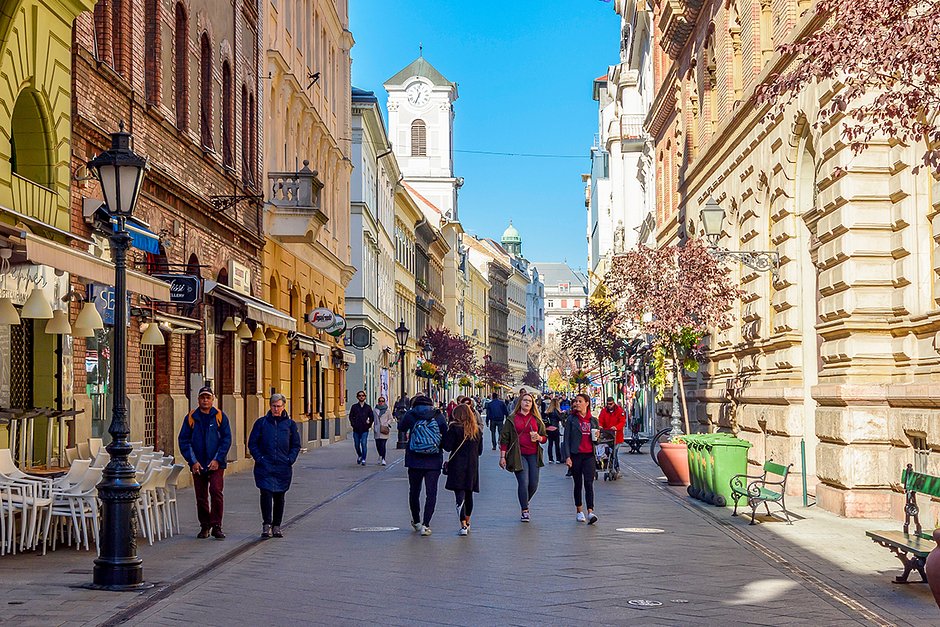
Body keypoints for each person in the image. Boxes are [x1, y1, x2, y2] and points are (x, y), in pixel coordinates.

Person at [178, 386, 232, 539]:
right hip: (198, 463)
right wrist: (193, 461)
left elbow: (226, 440)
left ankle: (216, 525)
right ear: (198, 400)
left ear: (213, 399)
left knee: (216, 492)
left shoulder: (220, 416)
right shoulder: (191, 417)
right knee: (201, 497)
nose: (205, 400)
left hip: (216, 463)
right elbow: (184, 441)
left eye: (208, 397)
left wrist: (218, 459)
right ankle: (204, 525)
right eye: (203, 397)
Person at [248, 393, 301, 538]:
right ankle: (267, 524)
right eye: (273, 406)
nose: (276, 409)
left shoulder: (290, 424)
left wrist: (290, 459)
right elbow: (252, 443)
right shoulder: (262, 423)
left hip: (283, 466)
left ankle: (277, 525)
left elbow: (296, 445)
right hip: (265, 465)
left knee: (279, 495)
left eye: (279, 406)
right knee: (265, 493)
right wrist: (260, 458)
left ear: (284, 407)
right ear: (270, 406)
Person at [398, 394, 448, 536]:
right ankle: (426, 524)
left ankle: (416, 521)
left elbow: (401, 428)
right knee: (431, 493)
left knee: (414, 491)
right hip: (434, 460)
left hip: (414, 459)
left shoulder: (411, 414)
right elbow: (445, 434)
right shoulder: (438, 415)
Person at [499, 392, 547, 522]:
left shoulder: (536, 419)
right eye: (525, 400)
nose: (527, 403)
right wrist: (502, 457)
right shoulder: (512, 418)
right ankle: (524, 510)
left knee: (534, 484)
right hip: (518, 454)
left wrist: (539, 438)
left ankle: (524, 501)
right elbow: (504, 439)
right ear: (520, 402)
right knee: (524, 482)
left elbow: (544, 438)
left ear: (533, 404)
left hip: (533, 454)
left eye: (530, 401)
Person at [442, 403, 484, 536]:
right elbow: (480, 451)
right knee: (469, 493)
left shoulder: (454, 429)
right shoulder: (477, 431)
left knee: (459, 495)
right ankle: (468, 521)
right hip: (472, 466)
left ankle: (463, 524)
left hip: (457, 465)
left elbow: (447, 447)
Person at [563, 393, 600, 525]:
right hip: (576, 455)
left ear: (587, 403)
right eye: (576, 401)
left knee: (589, 483)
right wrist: (567, 457)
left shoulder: (593, 420)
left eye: (580, 401)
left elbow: (597, 441)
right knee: (578, 483)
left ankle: (590, 511)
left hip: (589, 454)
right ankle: (579, 510)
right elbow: (566, 439)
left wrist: (597, 437)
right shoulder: (571, 420)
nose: (577, 403)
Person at [597, 397, 626, 471]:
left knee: (614, 452)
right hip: (606, 434)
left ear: (614, 403)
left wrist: (616, 427)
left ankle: (615, 467)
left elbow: (622, 422)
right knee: (606, 451)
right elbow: (601, 419)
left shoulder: (619, 410)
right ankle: (610, 466)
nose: (609, 406)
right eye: (608, 404)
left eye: (610, 404)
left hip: (617, 436)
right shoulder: (604, 411)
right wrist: (600, 425)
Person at [349, 390, 373, 465]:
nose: (361, 397)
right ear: (357, 397)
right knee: (356, 444)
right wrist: (353, 424)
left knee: (363, 443)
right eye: (359, 396)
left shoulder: (368, 407)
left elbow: (371, 417)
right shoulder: (354, 407)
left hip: (364, 429)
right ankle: (359, 455)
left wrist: (369, 425)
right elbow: (351, 416)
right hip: (356, 429)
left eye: (362, 395)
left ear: (365, 397)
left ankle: (363, 459)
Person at [544, 397, 564, 463]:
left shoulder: (548, 411)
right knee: (556, 444)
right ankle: (558, 458)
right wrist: (562, 413)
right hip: (555, 428)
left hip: (549, 429)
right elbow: (560, 418)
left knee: (550, 444)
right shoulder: (556, 411)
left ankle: (550, 459)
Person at [373, 396, 392, 465]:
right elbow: (372, 418)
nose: (381, 402)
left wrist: (387, 424)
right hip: (377, 429)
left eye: (382, 401)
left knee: (383, 445)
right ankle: (380, 455)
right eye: (380, 401)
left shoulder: (387, 410)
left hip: (384, 429)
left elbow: (390, 418)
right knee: (378, 445)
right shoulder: (375, 410)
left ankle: (383, 459)